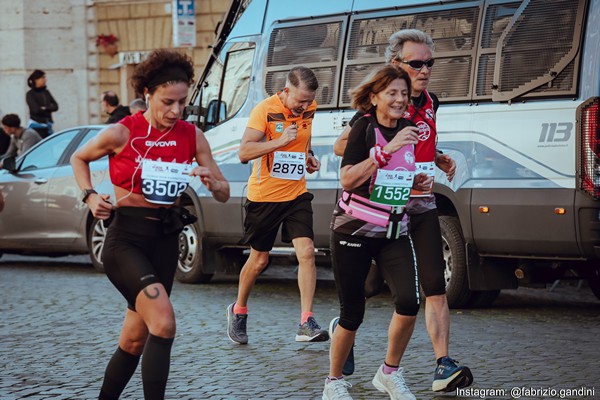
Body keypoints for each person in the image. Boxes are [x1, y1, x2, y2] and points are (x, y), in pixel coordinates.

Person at [70, 48, 230, 400]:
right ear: (147, 95)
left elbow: (223, 191)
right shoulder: (122, 133)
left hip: (165, 241)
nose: (175, 111)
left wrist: (210, 180)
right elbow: (78, 157)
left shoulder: (192, 135)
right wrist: (91, 196)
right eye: (167, 101)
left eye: (182, 102)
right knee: (164, 323)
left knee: (133, 339)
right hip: (126, 240)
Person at [330, 29, 472, 394]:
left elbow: (420, 141)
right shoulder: (378, 105)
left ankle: (442, 364)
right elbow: (343, 147)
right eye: (416, 63)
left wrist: (435, 156)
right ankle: (344, 329)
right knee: (365, 290)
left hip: (420, 203)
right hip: (377, 207)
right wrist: (384, 149)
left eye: (429, 63)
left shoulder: (430, 101)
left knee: (431, 285)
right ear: (396, 64)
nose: (424, 70)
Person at [323, 65, 429, 400]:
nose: (400, 99)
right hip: (353, 230)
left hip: (394, 230)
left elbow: (393, 178)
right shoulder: (364, 130)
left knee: (410, 303)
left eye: (403, 93)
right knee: (352, 313)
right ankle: (334, 382)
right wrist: (386, 150)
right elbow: (348, 179)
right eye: (392, 93)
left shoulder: (410, 128)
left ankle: (388, 373)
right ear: (374, 98)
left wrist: (415, 181)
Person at [227, 66, 329, 345]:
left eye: (309, 101)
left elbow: (304, 142)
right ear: (285, 91)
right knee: (259, 259)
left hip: (296, 193)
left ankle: (305, 321)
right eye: (300, 101)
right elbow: (244, 152)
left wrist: (310, 156)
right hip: (264, 197)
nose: (305, 106)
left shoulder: (310, 108)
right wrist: (278, 142)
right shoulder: (265, 110)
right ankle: (238, 310)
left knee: (307, 251)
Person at [26, 69, 59, 138]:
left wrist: (45, 108)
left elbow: (55, 106)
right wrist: (48, 108)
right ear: (36, 80)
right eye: (42, 78)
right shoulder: (30, 94)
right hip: (36, 126)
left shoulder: (46, 92)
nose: (45, 80)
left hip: (47, 125)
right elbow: (36, 109)